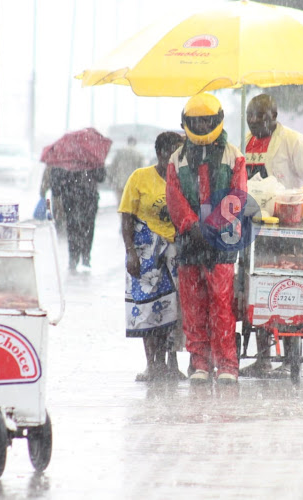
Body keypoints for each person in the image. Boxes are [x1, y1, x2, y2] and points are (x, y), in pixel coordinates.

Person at [240, 93, 303, 378]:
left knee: (287, 288)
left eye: (260, 121)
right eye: (250, 121)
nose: (255, 127)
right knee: (258, 289)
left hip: (287, 229)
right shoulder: (249, 141)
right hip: (256, 228)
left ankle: (291, 358)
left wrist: (297, 203)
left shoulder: (293, 141)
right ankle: (263, 358)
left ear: (274, 118)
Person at [166, 92, 247, 385]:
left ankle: (227, 364)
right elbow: (173, 198)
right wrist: (191, 225)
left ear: (217, 120)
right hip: (189, 241)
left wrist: (211, 226)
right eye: (195, 121)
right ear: (186, 122)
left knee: (221, 304)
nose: (200, 125)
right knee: (193, 304)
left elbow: (237, 196)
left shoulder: (234, 155)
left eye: (206, 120)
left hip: (221, 241)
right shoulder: (177, 158)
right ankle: (199, 363)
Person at [120, 131, 186, 382]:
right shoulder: (139, 178)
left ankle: (171, 362)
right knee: (147, 309)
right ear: (162, 154)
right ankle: (152, 364)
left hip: (175, 252)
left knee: (174, 310)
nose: (181, 159)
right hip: (145, 253)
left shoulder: (184, 180)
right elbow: (126, 217)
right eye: (176, 153)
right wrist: (131, 253)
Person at [49, 164, 105, 271]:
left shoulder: (66, 159)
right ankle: (83, 255)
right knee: (84, 228)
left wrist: (59, 189)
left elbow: (56, 180)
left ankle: (76, 256)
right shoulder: (91, 159)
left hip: (74, 199)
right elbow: (101, 177)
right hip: (85, 198)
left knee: (74, 228)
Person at [108, 136, 145, 203]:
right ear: (135, 143)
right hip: (133, 182)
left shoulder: (120, 152)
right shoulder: (139, 154)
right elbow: (142, 170)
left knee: (121, 202)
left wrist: (111, 178)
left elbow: (113, 166)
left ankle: (121, 213)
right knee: (130, 203)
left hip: (120, 181)